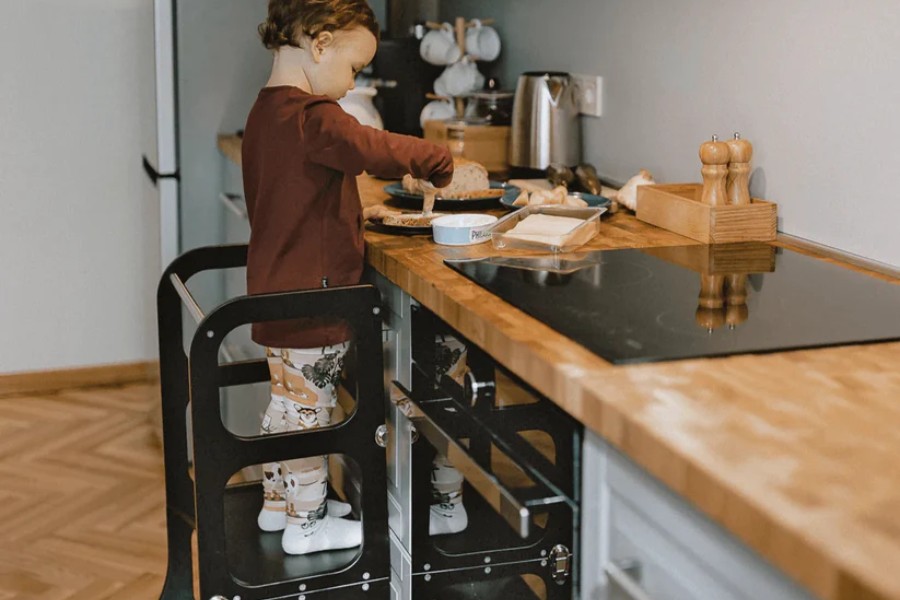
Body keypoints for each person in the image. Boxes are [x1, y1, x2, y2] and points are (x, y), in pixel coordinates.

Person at [242, 0, 465, 556]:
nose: (350, 83)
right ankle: (309, 524)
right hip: (310, 298)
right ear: (319, 44)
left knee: (287, 403)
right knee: (309, 414)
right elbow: (371, 147)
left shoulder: (266, 111)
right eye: (354, 68)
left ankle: (280, 504)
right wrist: (435, 159)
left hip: (277, 289)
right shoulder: (311, 116)